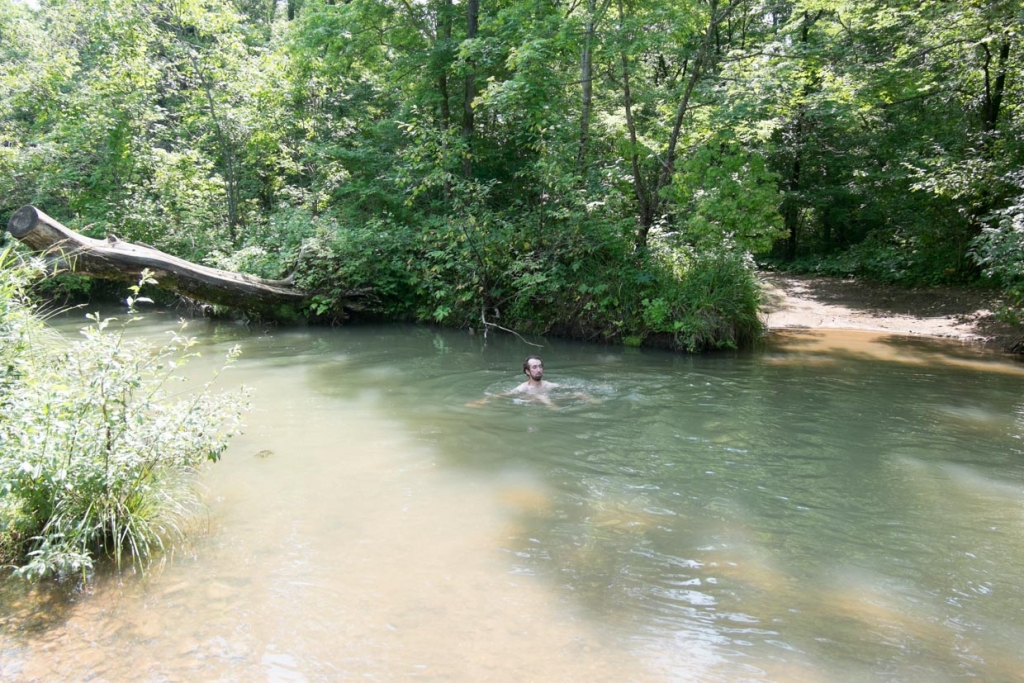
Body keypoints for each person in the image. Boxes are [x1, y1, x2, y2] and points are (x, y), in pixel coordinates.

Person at [466, 355, 558, 407]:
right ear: (527, 371)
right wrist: (484, 400)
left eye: (540, 366)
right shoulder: (523, 388)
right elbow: (502, 394)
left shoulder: (550, 385)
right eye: (534, 367)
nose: (538, 370)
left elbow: (566, 391)